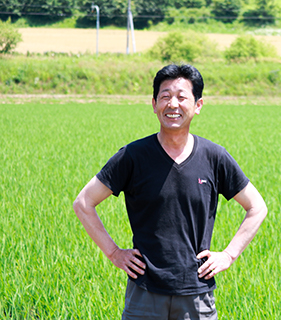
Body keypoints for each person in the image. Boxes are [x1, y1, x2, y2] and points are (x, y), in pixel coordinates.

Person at [73, 64, 268, 320]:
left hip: (197, 294)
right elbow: (83, 202)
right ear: (154, 104)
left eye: (181, 96)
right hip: (144, 292)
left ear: (197, 105)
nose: (172, 104)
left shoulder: (214, 157)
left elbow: (257, 207)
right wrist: (114, 252)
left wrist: (229, 255)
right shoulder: (133, 156)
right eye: (165, 96)